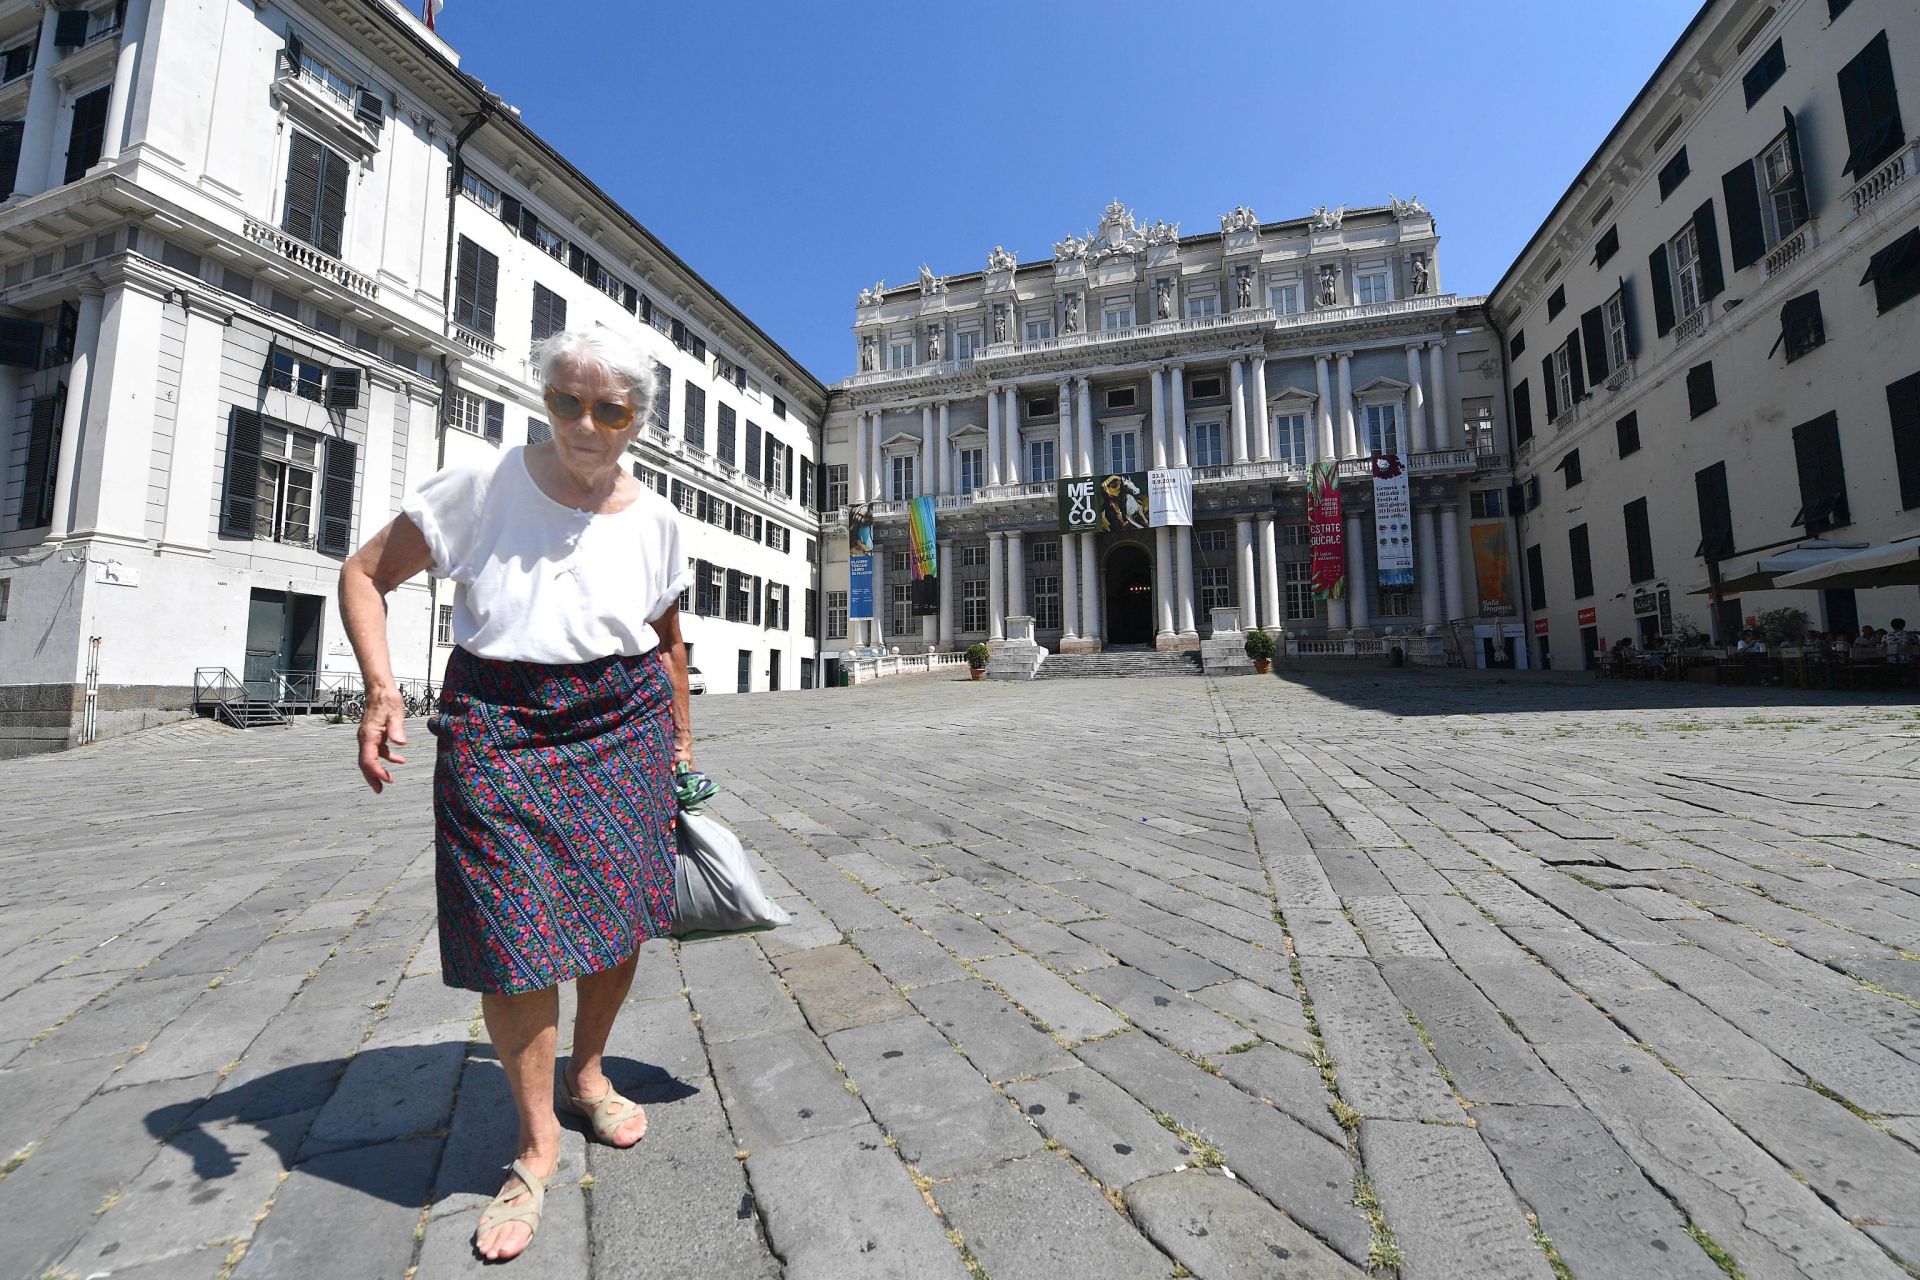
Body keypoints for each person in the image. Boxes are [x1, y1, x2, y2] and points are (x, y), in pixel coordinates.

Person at [338, 326, 693, 1263]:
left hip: (623, 725)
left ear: (637, 422)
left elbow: (665, 637)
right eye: (568, 401)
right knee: (512, 935)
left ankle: (586, 1071)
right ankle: (535, 1143)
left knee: (619, 919)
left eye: (608, 408)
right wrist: (381, 690)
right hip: (499, 721)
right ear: (547, 401)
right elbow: (366, 575)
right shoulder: (482, 485)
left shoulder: (656, 518)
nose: (585, 422)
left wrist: (682, 741)